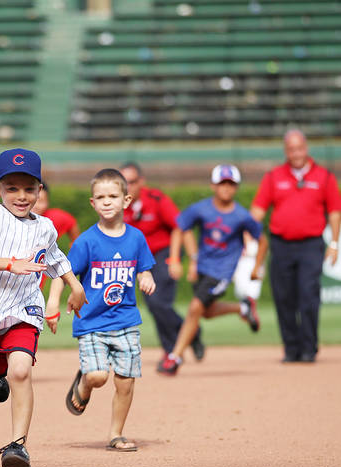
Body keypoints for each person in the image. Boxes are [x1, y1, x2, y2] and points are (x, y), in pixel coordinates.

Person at [0, 148, 86, 467]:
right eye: (12, 187)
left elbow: (55, 258)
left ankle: (17, 445)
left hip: (23, 311)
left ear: (40, 190)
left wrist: (75, 285)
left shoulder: (44, 226)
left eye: (29, 188)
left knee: (21, 371)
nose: (21, 195)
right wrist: (10, 264)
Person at [46, 168, 156, 452]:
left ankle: (116, 434)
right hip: (92, 322)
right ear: (93, 203)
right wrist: (53, 303)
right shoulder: (86, 241)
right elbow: (62, 273)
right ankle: (83, 382)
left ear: (126, 200)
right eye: (100, 197)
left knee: (125, 383)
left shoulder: (136, 238)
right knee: (98, 376)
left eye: (113, 196)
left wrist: (146, 278)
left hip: (126, 320)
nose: (107, 201)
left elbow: (144, 269)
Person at [158, 165, 266, 375]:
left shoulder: (242, 216)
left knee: (195, 308)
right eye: (222, 183)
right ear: (213, 185)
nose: (226, 187)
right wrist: (174, 259)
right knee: (205, 312)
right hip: (203, 269)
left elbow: (262, 241)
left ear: (236, 187)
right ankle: (243, 308)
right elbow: (180, 228)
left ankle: (175, 357)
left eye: (231, 184)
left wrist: (256, 266)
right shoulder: (201, 209)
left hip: (222, 272)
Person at [251, 130, 341, 363]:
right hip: (281, 245)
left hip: (311, 245)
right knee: (284, 297)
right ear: (286, 151)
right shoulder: (274, 177)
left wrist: (334, 243)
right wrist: (248, 233)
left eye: (299, 148)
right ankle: (291, 348)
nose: (296, 153)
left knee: (308, 296)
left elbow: (334, 211)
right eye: (291, 149)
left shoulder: (324, 176)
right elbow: (258, 210)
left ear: (306, 148)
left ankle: (309, 348)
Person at [119, 162, 205, 361]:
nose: (128, 187)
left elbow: (181, 226)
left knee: (159, 303)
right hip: (139, 261)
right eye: (124, 183)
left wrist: (180, 259)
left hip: (163, 254)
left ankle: (175, 346)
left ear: (141, 182)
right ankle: (187, 336)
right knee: (154, 306)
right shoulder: (118, 204)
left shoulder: (156, 199)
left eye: (132, 182)